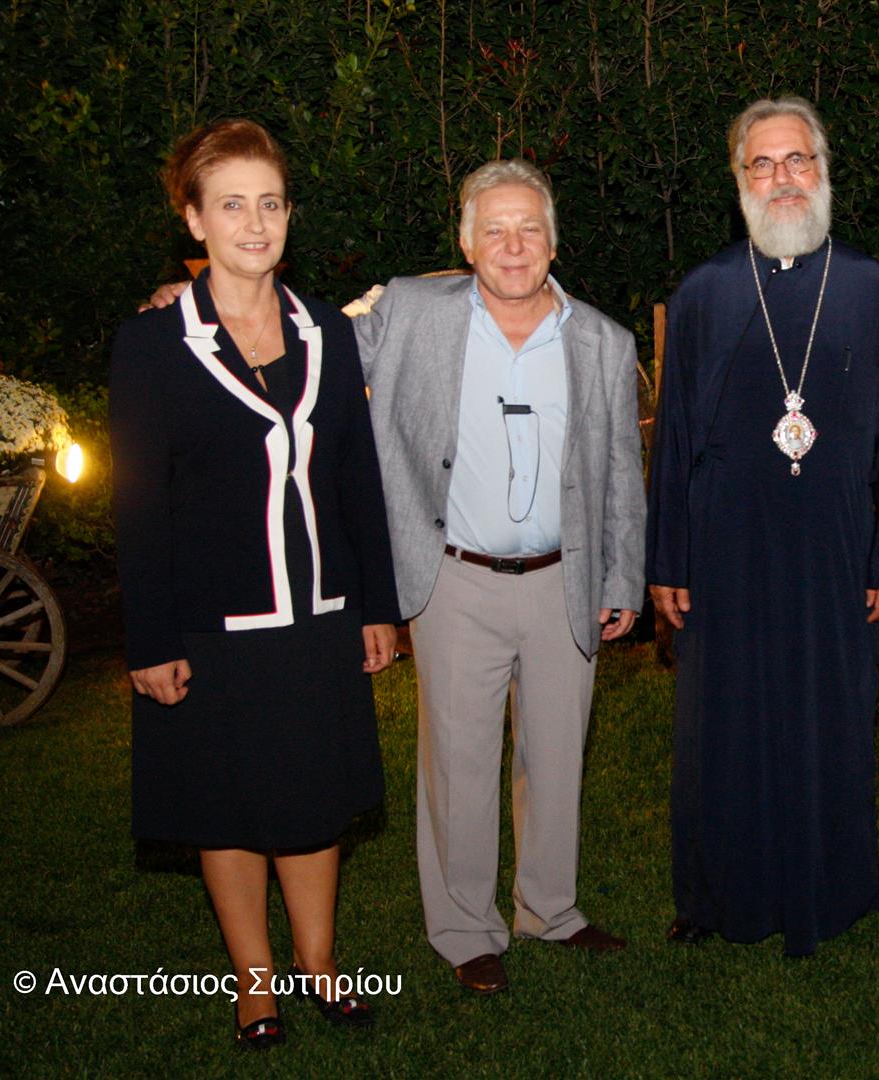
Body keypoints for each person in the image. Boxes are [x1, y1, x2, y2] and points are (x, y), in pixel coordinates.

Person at [145, 159, 647, 996]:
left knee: (558, 757)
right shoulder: (411, 311)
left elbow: (623, 471)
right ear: (465, 243)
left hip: (565, 580)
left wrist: (622, 578)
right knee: (458, 761)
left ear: (554, 242)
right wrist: (199, 302)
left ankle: (550, 910)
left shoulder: (603, 340)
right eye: (494, 229)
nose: (513, 245)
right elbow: (301, 339)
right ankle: (465, 928)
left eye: (529, 229)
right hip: (453, 579)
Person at [110, 119, 399, 1049]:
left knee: (315, 799)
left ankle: (320, 965)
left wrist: (378, 604)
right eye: (231, 204)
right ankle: (255, 984)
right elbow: (139, 502)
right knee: (226, 804)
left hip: (318, 616)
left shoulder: (327, 333)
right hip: (211, 626)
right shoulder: (153, 344)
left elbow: (355, 475)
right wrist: (151, 640)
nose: (255, 223)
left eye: (270, 203)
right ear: (194, 220)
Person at [646, 97, 879, 956]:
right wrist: (667, 559)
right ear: (739, 183)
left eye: (798, 159)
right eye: (761, 164)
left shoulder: (872, 290)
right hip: (726, 545)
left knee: (829, 719)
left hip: (836, 544)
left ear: (823, 171)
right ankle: (718, 894)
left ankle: (825, 889)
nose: (782, 178)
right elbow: (674, 439)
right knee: (722, 725)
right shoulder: (705, 293)